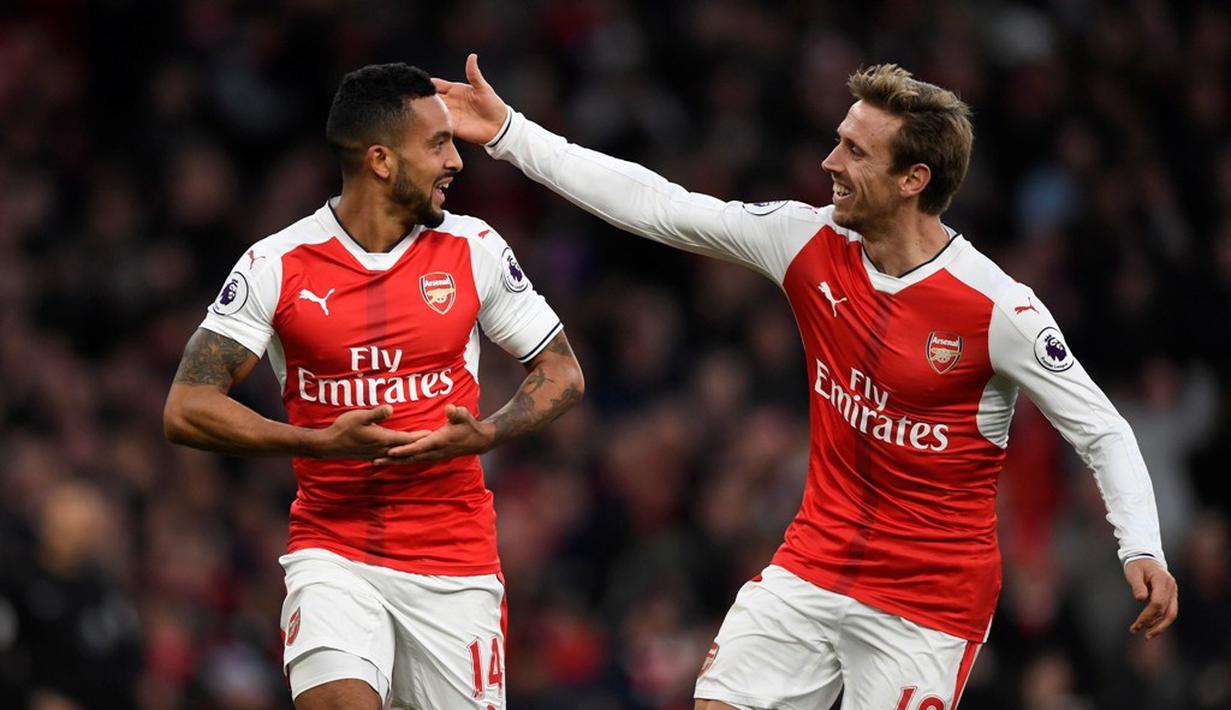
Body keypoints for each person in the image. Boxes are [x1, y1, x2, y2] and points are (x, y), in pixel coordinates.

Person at [434, 55, 1178, 710]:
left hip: (926, 605)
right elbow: (659, 205)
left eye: (854, 150)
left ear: (913, 179)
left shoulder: (996, 307)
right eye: (836, 139)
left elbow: (1101, 429)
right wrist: (509, 133)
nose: (828, 162)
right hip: (813, 562)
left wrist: (1138, 546)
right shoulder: (805, 239)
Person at [163, 63, 583, 710]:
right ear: (381, 161)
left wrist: (486, 432)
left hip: (456, 564)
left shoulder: (474, 249)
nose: (456, 163)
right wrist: (313, 441)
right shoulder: (277, 264)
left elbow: (561, 372)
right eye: (438, 145)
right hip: (333, 550)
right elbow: (187, 408)